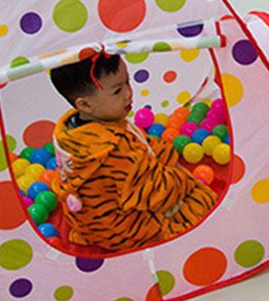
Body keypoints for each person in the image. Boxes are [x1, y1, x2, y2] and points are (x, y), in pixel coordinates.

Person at [49, 52, 217, 252]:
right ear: (85, 104)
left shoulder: (73, 129)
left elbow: (140, 143)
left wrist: (163, 153)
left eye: (127, 82)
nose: (129, 93)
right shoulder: (114, 148)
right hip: (123, 230)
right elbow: (156, 193)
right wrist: (184, 180)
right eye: (117, 90)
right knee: (204, 203)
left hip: (89, 221)